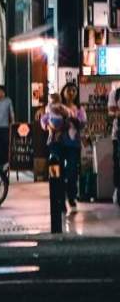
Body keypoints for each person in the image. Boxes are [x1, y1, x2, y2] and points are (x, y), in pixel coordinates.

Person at [60, 82, 86, 213]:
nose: (71, 93)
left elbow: (82, 124)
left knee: (72, 172)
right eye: (68, 90)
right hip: (60, 144)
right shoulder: (58, 107)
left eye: (74, 91)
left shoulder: (79, 108)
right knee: (60, 173)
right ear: (63, 92)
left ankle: (71, 197)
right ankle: (61, 200)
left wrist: (74, 120)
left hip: (74, 144)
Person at [109, 87, 120, 207]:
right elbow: (111, 112)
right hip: (118, 135)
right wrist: (117, 113)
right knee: (118, 163)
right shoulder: (116, 93)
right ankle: (118, 190)